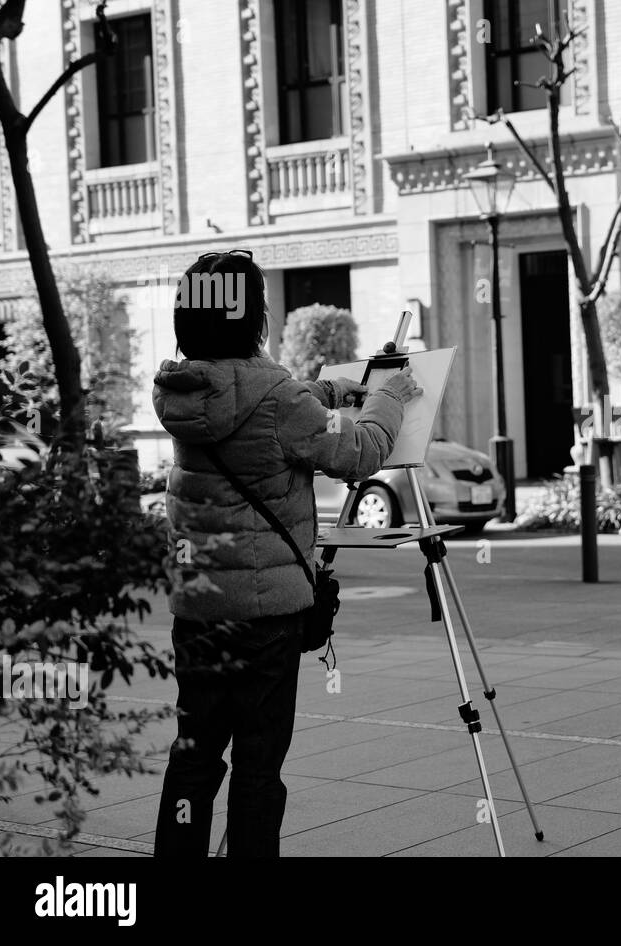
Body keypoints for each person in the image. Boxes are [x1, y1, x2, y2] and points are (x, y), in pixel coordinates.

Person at [151, 249, 420, 857]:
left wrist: (325, 388)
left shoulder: (184, 390)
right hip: (264, 620)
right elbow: (363, 451)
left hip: (196, 613)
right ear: (252, 318)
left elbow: (259, 404)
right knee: (257, 767)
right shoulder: (276, 399)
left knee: (193, 758)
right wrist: (390, 396)